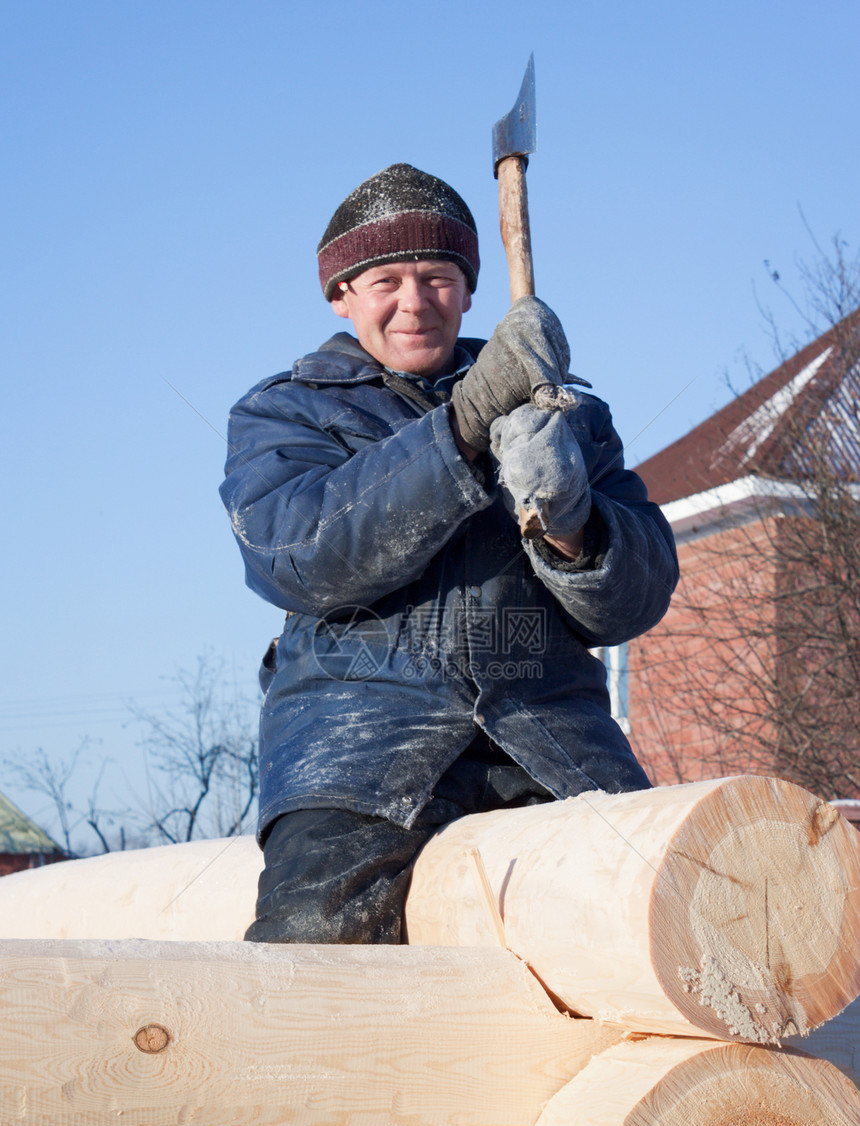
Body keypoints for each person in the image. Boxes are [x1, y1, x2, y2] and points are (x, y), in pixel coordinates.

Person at [220, 163, 678, 944]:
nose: (414, 302)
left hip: (552, 738)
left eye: (437, 276)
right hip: (354, 748)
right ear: (341, 295)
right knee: (313, 958)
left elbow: (634, 603)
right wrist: (464, 428)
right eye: (385, 279)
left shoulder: (563, 411)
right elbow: (302, 554)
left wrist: (571, 522)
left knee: (650, 923)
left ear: (469, 291)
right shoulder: (283, 413)